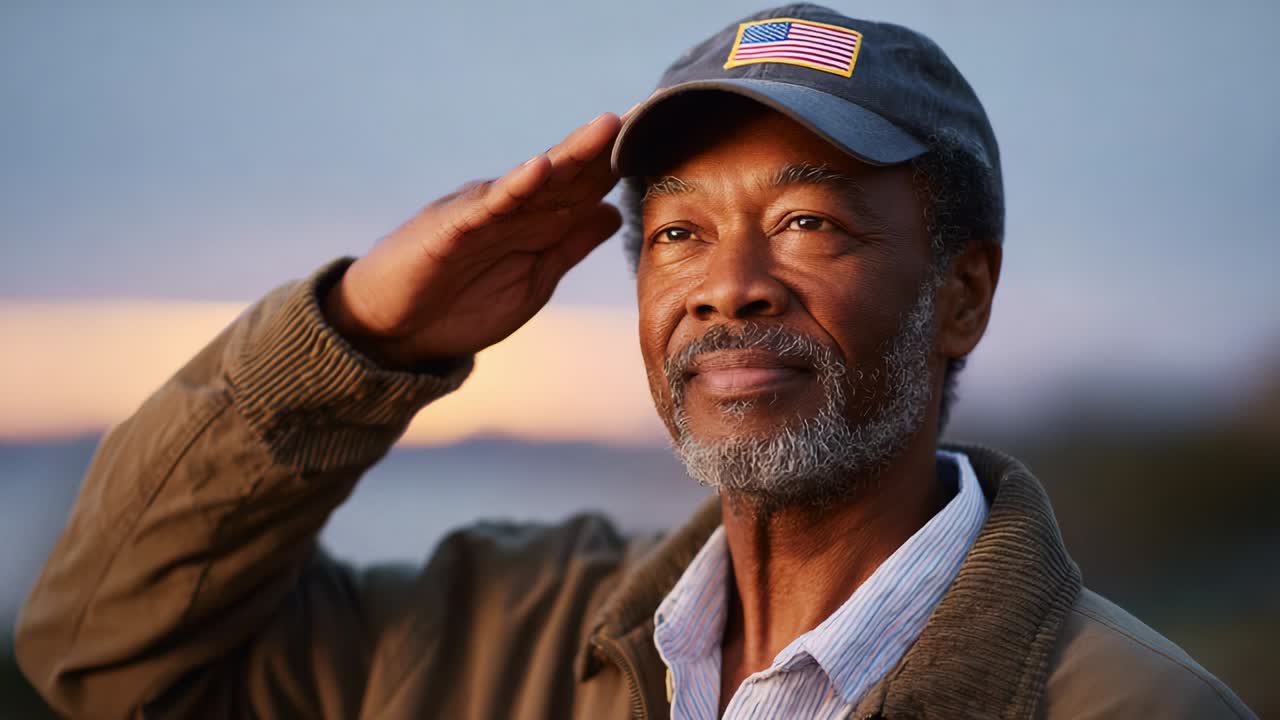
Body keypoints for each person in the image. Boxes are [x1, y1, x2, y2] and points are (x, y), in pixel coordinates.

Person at [15, 4, 1256, 719]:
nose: (728, 281)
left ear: (959, 296)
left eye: (807, 221)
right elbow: (100, 650)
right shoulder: (488, 633)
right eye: (676, 232)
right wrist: (357, 339)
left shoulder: (1132, 711)